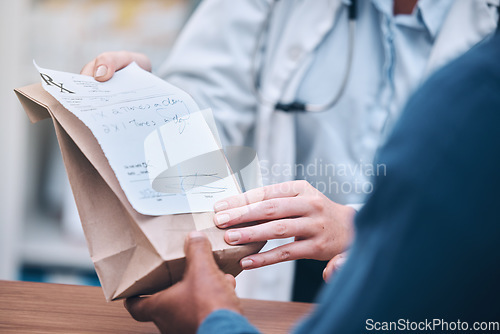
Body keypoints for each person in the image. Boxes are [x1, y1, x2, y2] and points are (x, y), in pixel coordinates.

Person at [82, 0, 499, 301]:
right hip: (278, 271)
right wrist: (147, 104)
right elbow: (210, 107)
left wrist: (361, 227)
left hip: (428, 283)